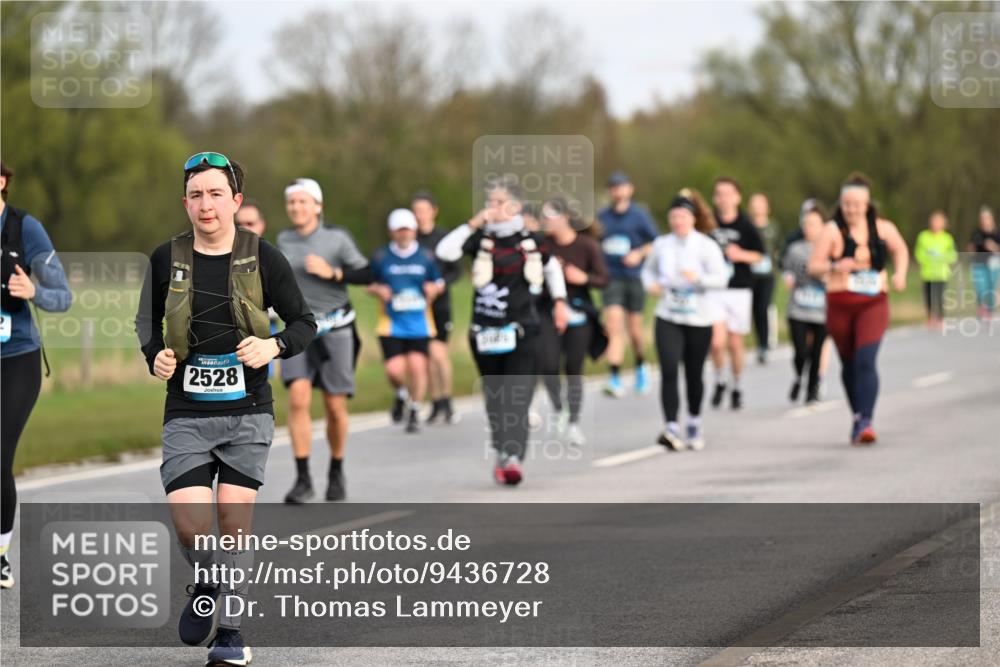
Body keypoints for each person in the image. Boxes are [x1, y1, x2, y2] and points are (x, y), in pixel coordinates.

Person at [135, 152, 316, 665]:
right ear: (185, 202)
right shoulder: (164, 257)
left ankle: (232, 633)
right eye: (196, 195)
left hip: (248, 411)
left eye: (216, 194)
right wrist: (157, 357)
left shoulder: (265, 257)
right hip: (187, 410)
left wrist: (273, 347)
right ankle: (206, 580)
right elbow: (146, 323)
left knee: (234, 519)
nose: (205, 204)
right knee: (190, 521)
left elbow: (304, 322)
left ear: (235, 200)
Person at [436, 177, 568, 486]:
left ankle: (513, 455)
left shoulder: (530, 239)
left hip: (522, 330)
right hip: (484, 331)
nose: (492, 208)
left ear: (515, 206)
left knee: (517, 395)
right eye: (490, 202)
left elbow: (552, 268)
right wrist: (473, 222)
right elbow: (445, 251)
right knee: (495, 396)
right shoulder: (480, 237)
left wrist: (560, 302)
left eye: (498, 202)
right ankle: (501, 448)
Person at [276, 178, 371, 504]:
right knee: (299, 398)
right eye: (292, 203)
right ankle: (303, 478)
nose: (296, 208)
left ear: (317, 206)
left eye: (303, 202)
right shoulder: (283, 240)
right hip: (297, 329)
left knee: (334, 405)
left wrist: (334, 273)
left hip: (336, 327)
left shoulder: (337, 239)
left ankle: (336, 468)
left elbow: (367, 274)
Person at [0, 160, 72, 589]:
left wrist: (33, 292)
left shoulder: (25, 229)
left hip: (16, 360)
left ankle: (0, 554)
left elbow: (63, 297)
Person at [809, 172, 908, 445]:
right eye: (847, 203)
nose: (851, 209)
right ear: (841, 203)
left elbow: (900, 250)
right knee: (849, 362)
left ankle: (866, 420)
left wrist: (899, 274)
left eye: (857, 204)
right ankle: (857, 415)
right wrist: (834, 266)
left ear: (867, 204)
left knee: (866, 359)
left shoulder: (883, 228)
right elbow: (814, 266)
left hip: (873, 302)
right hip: (840, 304)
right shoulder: (831, 231)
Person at [642, 189, 728, 451]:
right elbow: (647, 271)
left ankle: (693, 420)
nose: (678, 221)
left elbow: (722, 278)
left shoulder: (705, 245)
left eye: (683, 216)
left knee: (694, 373)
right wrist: (652, 286)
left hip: (699, 318)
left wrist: (698, 279)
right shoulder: (662, 244)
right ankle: (671, 426)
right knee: (668, 368)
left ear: (692, 219)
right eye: (674, 216)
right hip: (668, 314)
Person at [536, 195, 609, 447]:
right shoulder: (542, 246)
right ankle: (558, 410)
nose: (544, 221)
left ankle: (573, 423)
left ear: (565, 217)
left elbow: (603, 278)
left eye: (549, 216)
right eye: (542, 216)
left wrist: (582, 278)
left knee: (574, 368)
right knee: (548, 364)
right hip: (547, 311)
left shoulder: (586, 245)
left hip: (579, 313)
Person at [367, 209, 444, 434]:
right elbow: (368, 283)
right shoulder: (382, 257)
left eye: (408, 229)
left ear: (414, 231)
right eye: (399, 230)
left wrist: (434, 289)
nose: (404, 234)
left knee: (418, 367)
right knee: (394, 370)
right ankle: (401, 393)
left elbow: (438, 282)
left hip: (419, 322)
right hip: (391, 323)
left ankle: (415, 408)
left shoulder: (426, 256)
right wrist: (378, 290)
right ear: (392, 232)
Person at [597, 171, 658, 397]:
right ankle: (614, 376)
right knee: (613, 324)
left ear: (629, 189)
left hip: (633, 276)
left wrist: (638, 253)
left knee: (634, 328)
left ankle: (641, 365)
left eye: (621, 187)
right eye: (613, 187)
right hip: (611, 276)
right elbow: (593, 241)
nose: (617, 191)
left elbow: (655, 243)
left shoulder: (639, 216)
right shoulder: (602, 217)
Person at [708, 177, 765, 410]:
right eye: (720, 193)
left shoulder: (746, 225)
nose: (724, 198)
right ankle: (720, 377)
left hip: (739, 288)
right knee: (716, 341)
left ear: (737, 197)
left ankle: (737, 384)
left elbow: (760, 255)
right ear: (715, 198)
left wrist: (741, 254)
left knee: (734, 342)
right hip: (714, 290)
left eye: (729, 193)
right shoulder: (709, 223)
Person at [412, 191, 461, 424]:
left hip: (440, 305)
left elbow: (456, 271)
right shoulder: (411, 239)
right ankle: (436, 401)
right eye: (416, 211)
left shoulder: (445, 239)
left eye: (424, 210)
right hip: (417, 307)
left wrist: (439, 286)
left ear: (434, 211)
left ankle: (447, 399)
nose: (420, 216)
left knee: (439, 354)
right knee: (428, 354)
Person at [782, 199, 828, 404]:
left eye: (814, 224)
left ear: (823, 227)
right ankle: (799, 376)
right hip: (798, 309)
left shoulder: (830, 249)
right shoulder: (795, 249)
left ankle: (812, 389)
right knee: (801, 352)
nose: (809, 228)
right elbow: (787, 270)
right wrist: (788, 278)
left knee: (817, 352)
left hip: (822, 311)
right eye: (806, 224)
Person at [747, 193, 780, 364]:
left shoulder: (772, 227)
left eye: (761, 204)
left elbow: (778, 249)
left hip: (768, 275)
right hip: (751, 274)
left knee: (764, 307)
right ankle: (758, 341)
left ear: (767, 207)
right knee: (753, 310)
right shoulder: (747, 226)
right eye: (754, 204)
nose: (757, 208)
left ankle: (764, 344)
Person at [914, 210, 958, 330]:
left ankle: (940, 317)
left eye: (938, 222)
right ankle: (930, 317)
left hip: (942, 273)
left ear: (944, 224)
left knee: (940, 296)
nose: (936, 224)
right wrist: (927, 259)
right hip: (927, 273)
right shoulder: (923, 236)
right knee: (928, 296)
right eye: (934, 221)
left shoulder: (947, 238)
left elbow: (953, 255)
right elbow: (918, 253)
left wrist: (941, 258)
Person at [968, 206, 1000, 320]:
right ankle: (982, 308)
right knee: (981, 288)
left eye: (987, 218)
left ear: (992, 219)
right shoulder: (976, 234)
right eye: (982, 218)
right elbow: (970, 248)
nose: (984, 221)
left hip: (994, 266)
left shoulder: (997, 234)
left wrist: (994, 247)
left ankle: (989, 310)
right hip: (979, 265)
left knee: (991, 289)